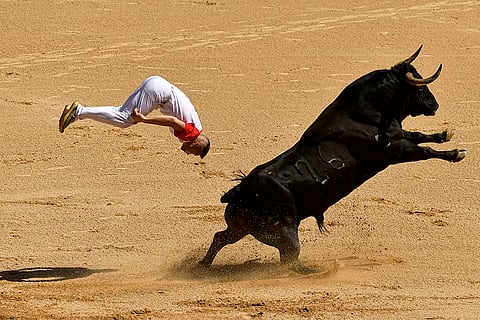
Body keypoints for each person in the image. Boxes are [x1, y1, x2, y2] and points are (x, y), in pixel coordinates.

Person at [58, 76, 210, 158]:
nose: (188, 154)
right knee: (126, 118)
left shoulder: (197, 126)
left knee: (123, 114)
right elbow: (173, 121)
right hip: (159, 93)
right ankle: (78, 111)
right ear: (196, 145)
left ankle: (80, 112)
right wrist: (144, 119)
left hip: (158, 87)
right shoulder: (192, 134)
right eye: (193, 153)